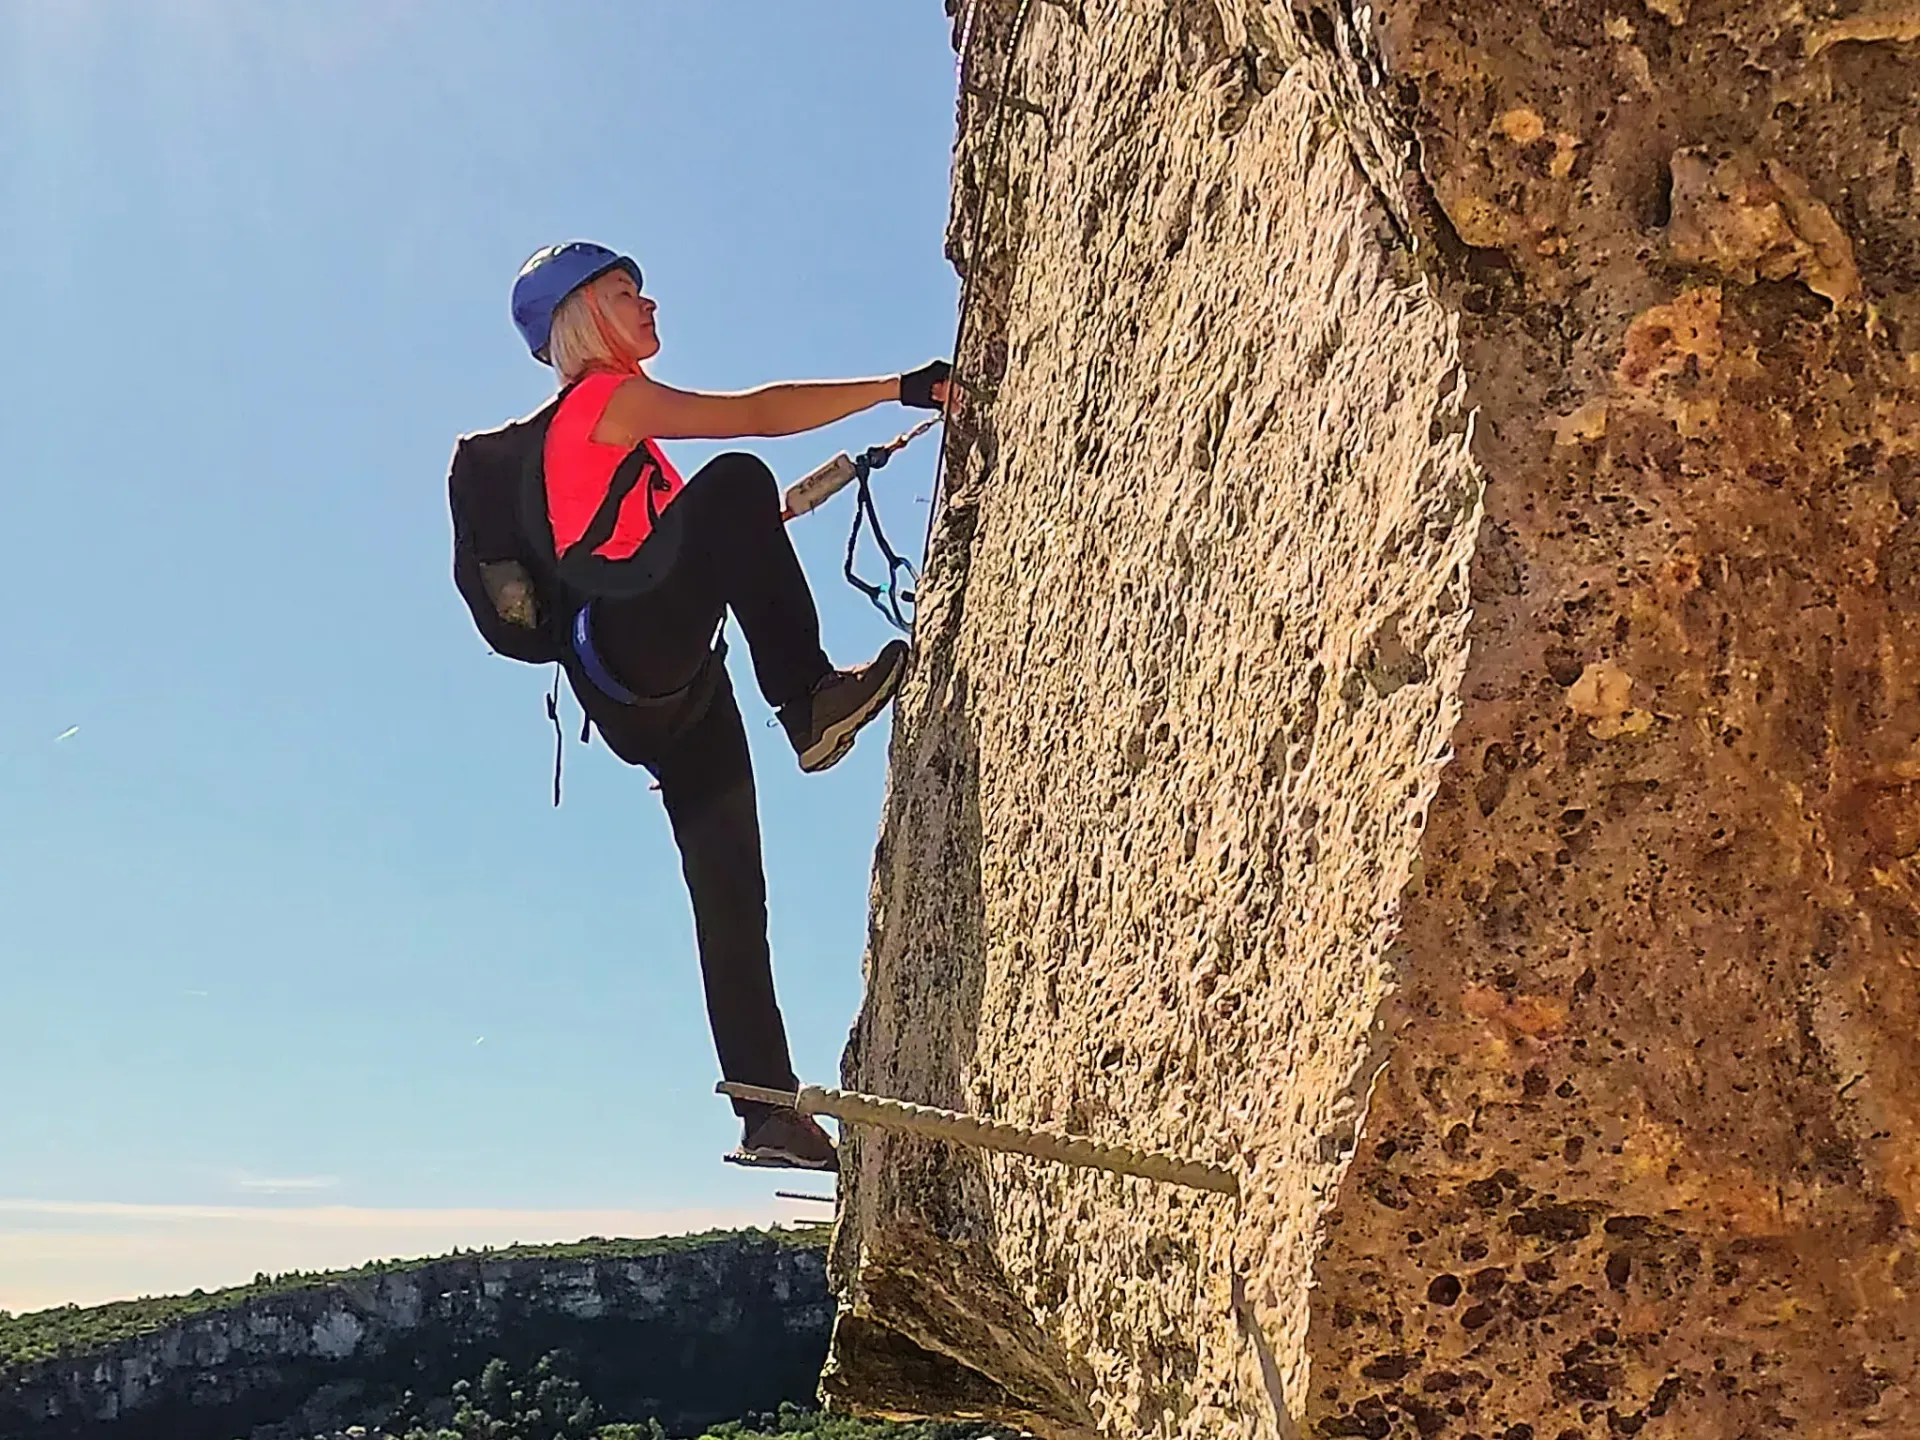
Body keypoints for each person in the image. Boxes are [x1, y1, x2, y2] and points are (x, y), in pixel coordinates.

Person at [500, 240, 948, 1171]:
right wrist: (899, 387)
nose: (650, 303)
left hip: (667, 688)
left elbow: (684, 538)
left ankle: (766, 1108)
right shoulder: (603, 402)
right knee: (739, 476)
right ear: (587, 320)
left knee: (731, 895)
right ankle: (808, 701)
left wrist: (737, 537)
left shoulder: (625, 443)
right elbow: (752, 417)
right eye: (629, 294)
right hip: (633, 648)